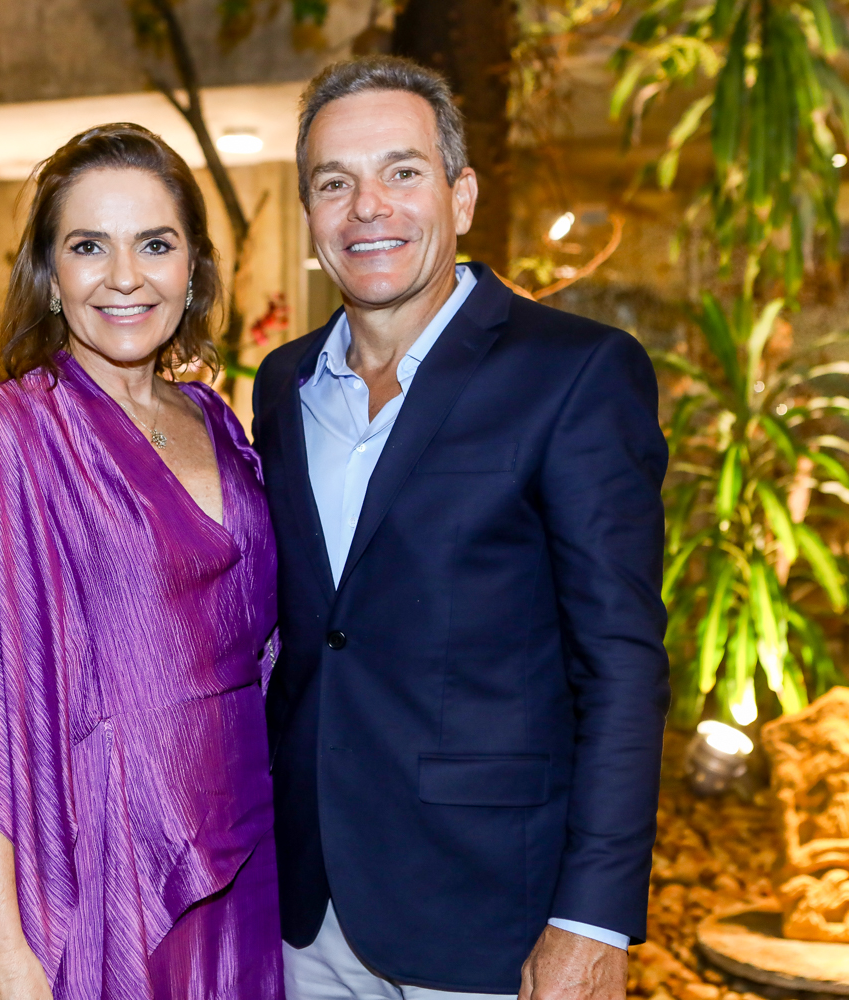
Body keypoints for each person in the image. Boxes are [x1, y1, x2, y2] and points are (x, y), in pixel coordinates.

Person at [252, 57, 670, 1000]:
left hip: (494, 917)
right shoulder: (282, 384)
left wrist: (592, 920)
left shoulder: (576, 373)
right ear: (310, 213)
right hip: (308, 905)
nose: (368, 207)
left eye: (402, 172)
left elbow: (620, 665)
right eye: (334, 183)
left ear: (463, 196)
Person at [0, 123, 283, 1000]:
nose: (125, 276)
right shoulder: (6, 439)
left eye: (155, 244)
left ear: (193, 268)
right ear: (50, 275)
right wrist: (1, 943)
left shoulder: (218, 422)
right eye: (88, 246)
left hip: (252, 854)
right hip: (99, 864)